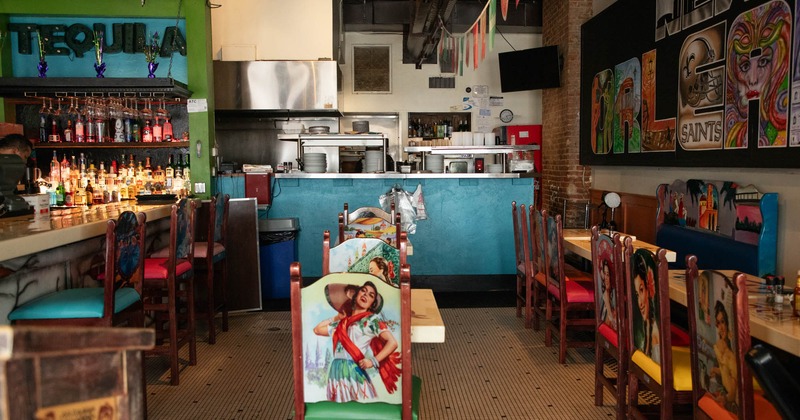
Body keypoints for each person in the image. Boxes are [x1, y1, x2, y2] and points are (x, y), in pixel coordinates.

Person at [313, 281, 400, 403]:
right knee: (338, 406)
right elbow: (317, 330)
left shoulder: (371, 320)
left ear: (372, 303)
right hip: (336, 369)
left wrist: (373, 361)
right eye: (363, 291)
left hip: (353, 369)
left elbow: (392, 343)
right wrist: (337, 317)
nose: (365, 295)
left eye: (371, 295)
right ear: (356, 295)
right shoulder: (343, 323)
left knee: (359, 404)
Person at [711, 300, 738, 413]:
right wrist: (715, 370)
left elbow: (734, 390)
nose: (721, 327)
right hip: (727, 398)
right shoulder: (720, 347)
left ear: (727, 323)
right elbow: (726, 372)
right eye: (718, 323)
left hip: (736, 405)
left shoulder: (732, 353)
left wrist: (725, 398)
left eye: (723, 322)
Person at [633, 252, 660, 363]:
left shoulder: (655, 336)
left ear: (649, 288)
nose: (640, 303)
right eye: (636, 294)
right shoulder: (647, 329)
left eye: (641, 290)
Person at [599, 259, 617, 329]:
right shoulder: (604, 295)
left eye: (608, 274)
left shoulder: (613, 295)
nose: (606, 278)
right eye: (605, 274)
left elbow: (614, 324)